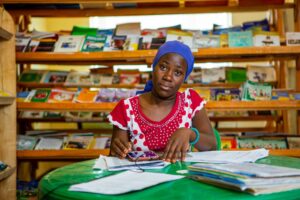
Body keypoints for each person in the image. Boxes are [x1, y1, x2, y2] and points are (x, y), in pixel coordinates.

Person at [108, 41, 216, 163]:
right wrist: (118, 150)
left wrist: (190, 134)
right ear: (154, 67)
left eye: (177, 73)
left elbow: (212, 146)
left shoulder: (190, 101)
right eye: (163, 67)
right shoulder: (126, 109)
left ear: (184, 78)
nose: (168, 77)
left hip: (180, 178)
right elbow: (116, 158)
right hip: (141, 179)